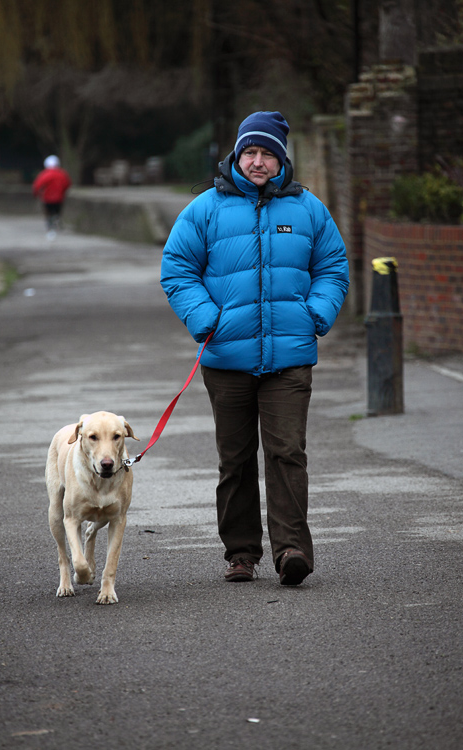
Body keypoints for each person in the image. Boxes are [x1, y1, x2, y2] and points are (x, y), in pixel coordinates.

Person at [161, 111, 349, 586]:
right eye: (250, 151)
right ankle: (241, 553)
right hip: (227, 358)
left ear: (282, 159)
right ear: (236, 154)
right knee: (236, 459)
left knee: (287, 452)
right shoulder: (205, 208)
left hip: (289, 357)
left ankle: (291, 551)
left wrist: (315, 314)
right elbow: (177, 268)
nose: (258, 161)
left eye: (267, 153)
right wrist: (207, 319)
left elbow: (333, 267)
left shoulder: (308, 209)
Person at [32, 155, 72, 240]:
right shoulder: (62, 173)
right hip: (59, 198)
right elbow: (67, 184)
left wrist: (36, 194)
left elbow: (37, 185)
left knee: (49, 213)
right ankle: (56, 224)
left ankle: (51, 228)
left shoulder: (45, 174)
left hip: (47, 198)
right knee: (57, 212)